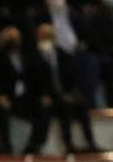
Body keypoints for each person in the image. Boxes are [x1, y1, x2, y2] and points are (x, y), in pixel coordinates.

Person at [23, 23, 100, 155]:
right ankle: (56, 144)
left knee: (79, 104)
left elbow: (71, 77)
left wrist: (70, 92)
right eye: (43, 37)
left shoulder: (62, 55)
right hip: (42, 96)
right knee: (59, 107)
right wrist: (41, 95)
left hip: (62, 94)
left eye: (49, 36)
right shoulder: (32, 57)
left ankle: (90, 142)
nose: (46, 39)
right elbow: (31, 81)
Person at [0, 25, 32, 155]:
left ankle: (33, 146)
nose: (13, 40)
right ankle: (5, 147)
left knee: (42, 110)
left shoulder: (27, 56)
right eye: (9, 37)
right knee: (1, 111)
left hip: (25, 97)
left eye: (15, 37)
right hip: (4, 96)